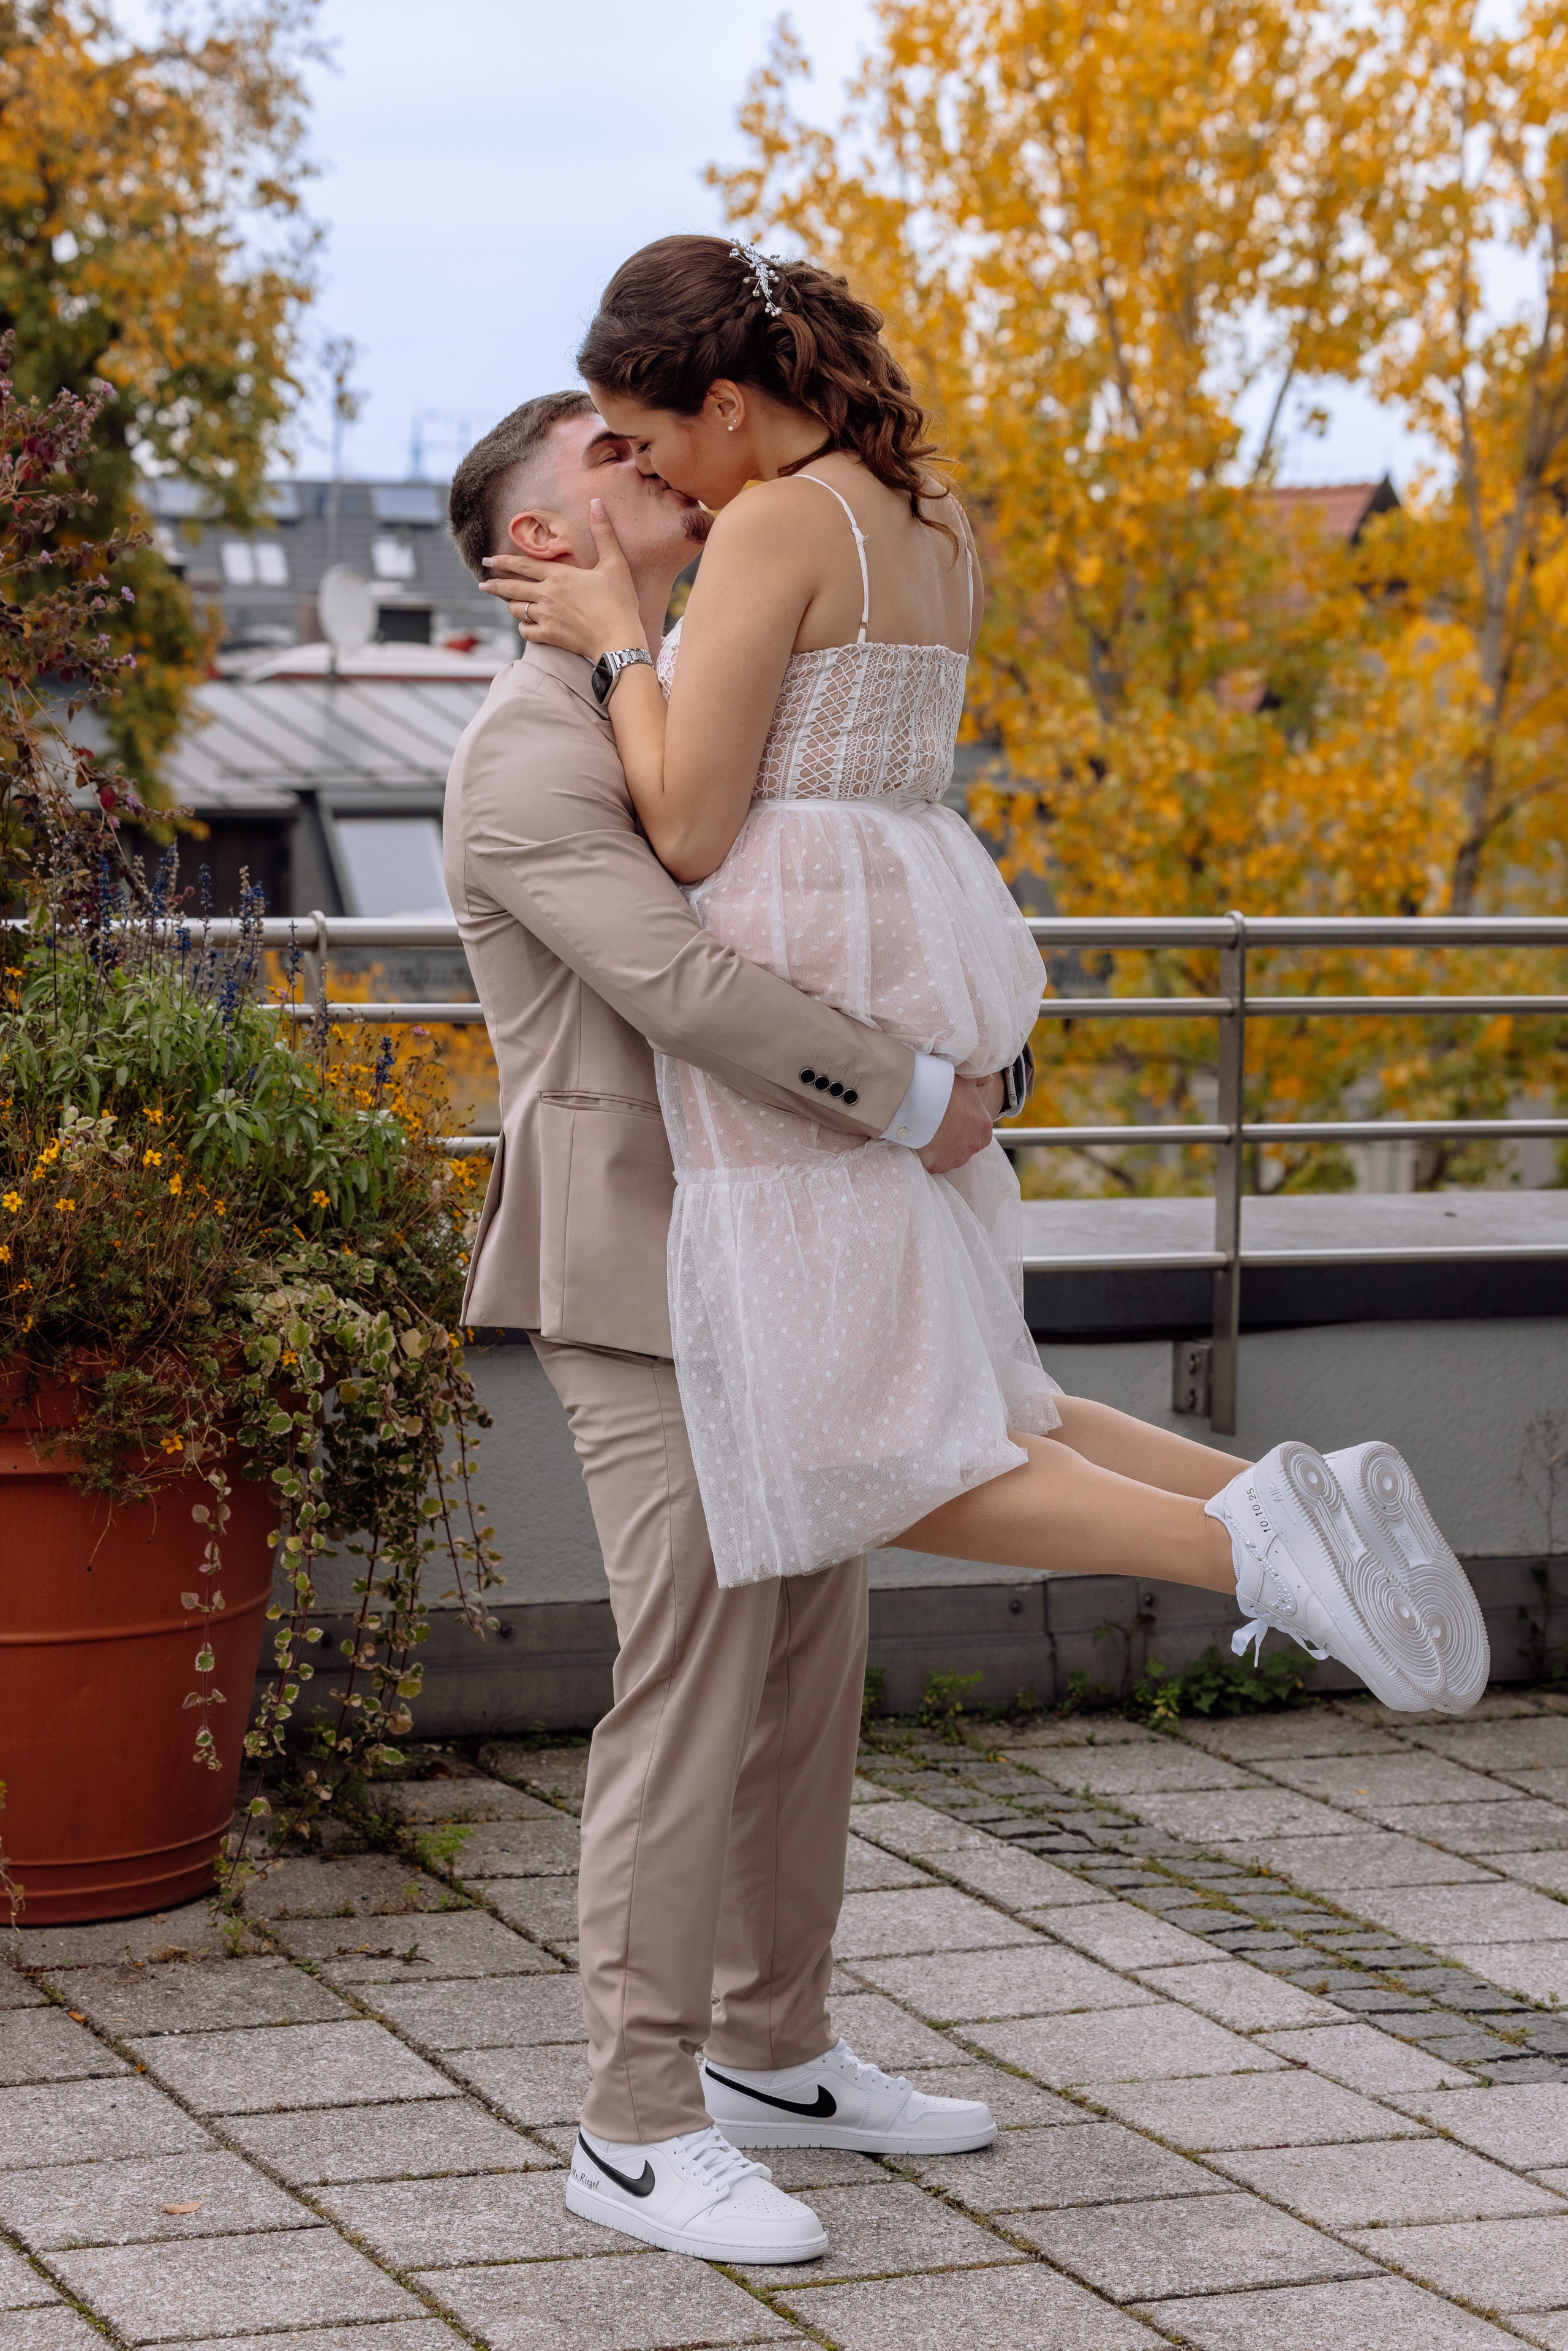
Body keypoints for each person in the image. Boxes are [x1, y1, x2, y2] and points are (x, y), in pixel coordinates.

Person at [483, 246, 1491, 1762]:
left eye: (655, 432)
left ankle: (1253, 1539)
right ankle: (1270, 1494)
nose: (655, 471)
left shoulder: (771, 523)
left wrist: (622, 645)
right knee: (969, 1384)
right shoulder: (926, 507)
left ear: (732, 404)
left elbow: (689, 829)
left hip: (804, 952)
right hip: (911, 917)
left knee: (875, 1441)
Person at [443, 391, 1011, 2272]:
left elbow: (829, 870)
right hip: (634, 1276)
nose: (652, 468)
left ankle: (778, 2048)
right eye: (603, 462)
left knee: (805, 1666)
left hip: (783, 1245)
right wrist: (916, 1089)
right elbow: (687, 983)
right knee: (692, 1676)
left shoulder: (672, 699)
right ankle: (632, 2119)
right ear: (540, 545)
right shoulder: (525, 759)